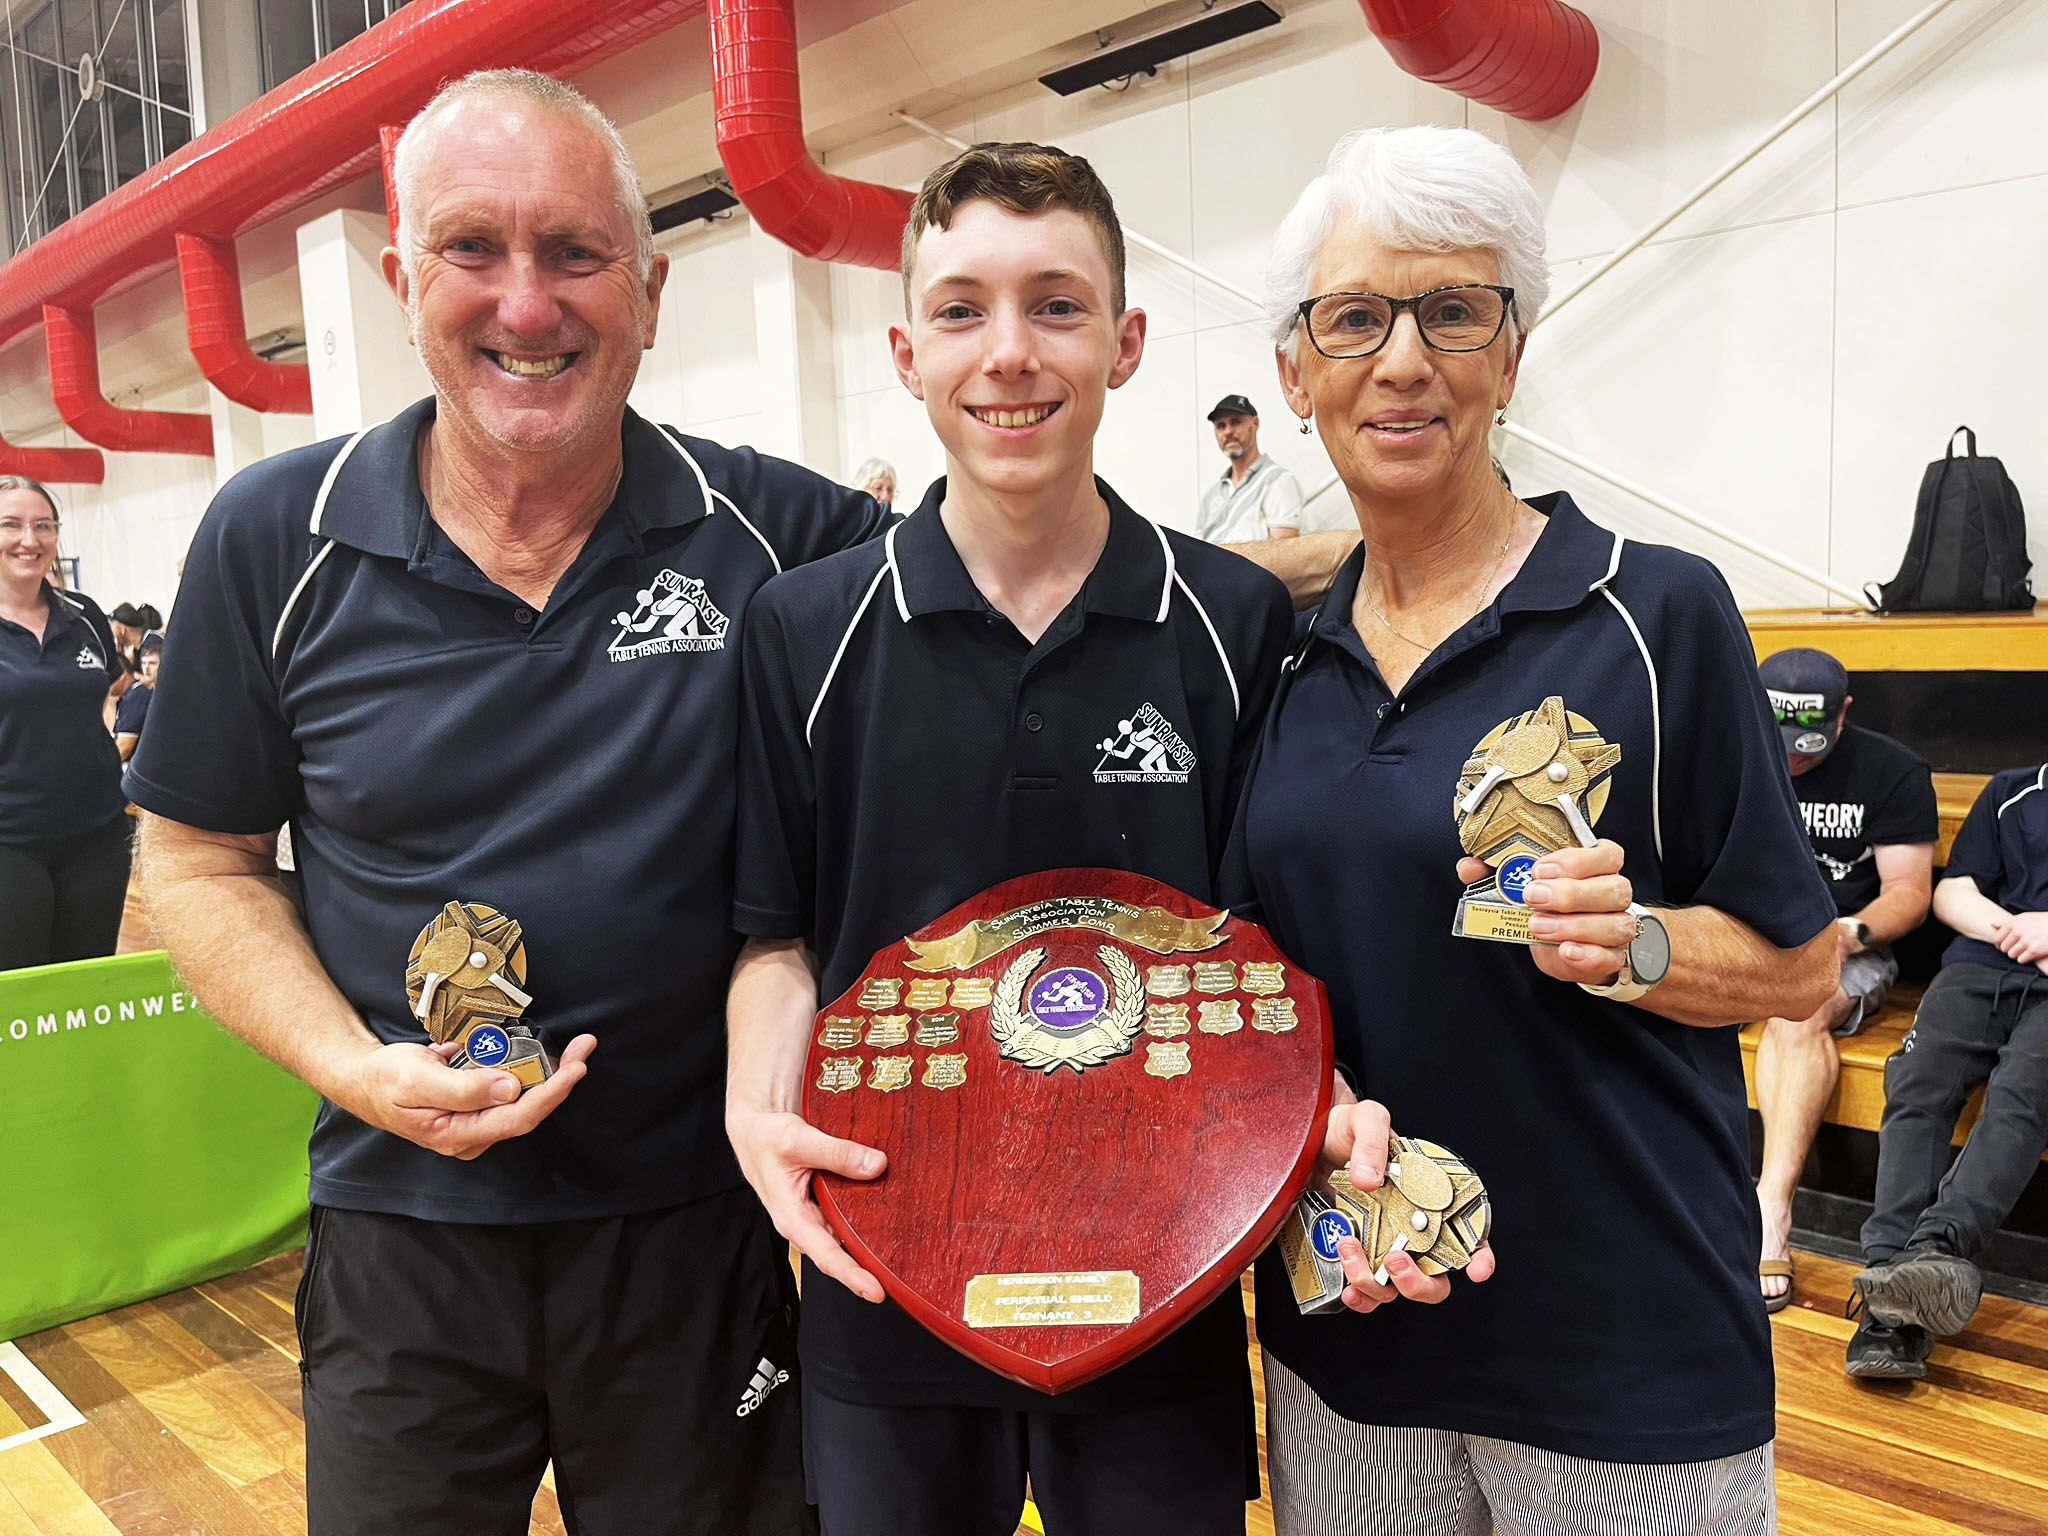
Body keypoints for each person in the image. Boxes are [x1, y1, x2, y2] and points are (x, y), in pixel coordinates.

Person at [130, 69, 886, 1535]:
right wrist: (354, 1067)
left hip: (693, 1234)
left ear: (650, 293)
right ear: (403, 283)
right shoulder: (272, 540)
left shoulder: (781, 536)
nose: (526, 304)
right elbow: (198, 861)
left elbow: (1005, 583)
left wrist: (1311, 583)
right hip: (399, 1236)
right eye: (473, 248)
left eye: (576, 253)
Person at [1229, 125, 1837, 1534]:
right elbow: (1250, 958)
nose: (1402, 359)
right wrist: (1308, 1103)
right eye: (1353, 318)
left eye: (1453, 311)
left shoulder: (1656, 612)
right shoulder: (1276, 657)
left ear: (1508, 354)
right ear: (1295, 373)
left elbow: (1802, 966)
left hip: (1622, 1352)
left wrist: (1633, 945)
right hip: (1354, 1334)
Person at [726, 141, 1297, 1536]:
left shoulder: (1232, 623)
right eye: (962, 309)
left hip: (1161, 1275)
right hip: (882, 1269)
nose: (1009, 353)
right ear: (906, 354)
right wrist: (756, 1110)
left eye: (1055, 304)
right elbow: (776, 939)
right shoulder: (802, 630)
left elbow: (1263, 959)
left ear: (1125, 342)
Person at [1846, 764, 2048, 1379]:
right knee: (1918, 1084)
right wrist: (2021, 930)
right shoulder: (2013, 790)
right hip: (1982, 963)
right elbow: (1952, 892)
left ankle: (1935, 1249)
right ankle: (1889, 1282)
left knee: (2023, 1093)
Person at [1752, 646, 1935, 1311]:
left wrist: (1844, 934)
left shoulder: (1890, 770)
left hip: (1846, 943)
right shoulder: (1736, 753)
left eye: (1807, 747)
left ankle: (1771, 1209)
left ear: (1844, 713)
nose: (1791, 761)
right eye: (1781, 743)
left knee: (1798, 1009)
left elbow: (1909, 893)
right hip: (1746, 936)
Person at [0, 475, 130, 969]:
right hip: (10, 840)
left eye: (42, 526)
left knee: (87, 980)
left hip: (97, 834)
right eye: (10, 525)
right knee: (22, 990)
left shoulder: (85, 615)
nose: (28, 539)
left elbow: (110, 689)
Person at [1198, 393, 1305, 544]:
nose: (1228, 431)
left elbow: (1286, 550)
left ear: (1255, 424)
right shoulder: (1211, 496)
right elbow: (1196, 548)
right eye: (1221, 426)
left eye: (1235, 422)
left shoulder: (1278, 480)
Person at [114, 631, 161, 763]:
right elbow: (123, 746)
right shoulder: (139, 693)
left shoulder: (147, 693)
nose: (147, 668)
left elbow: (123, 748)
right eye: (144, 663)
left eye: (152, 663)